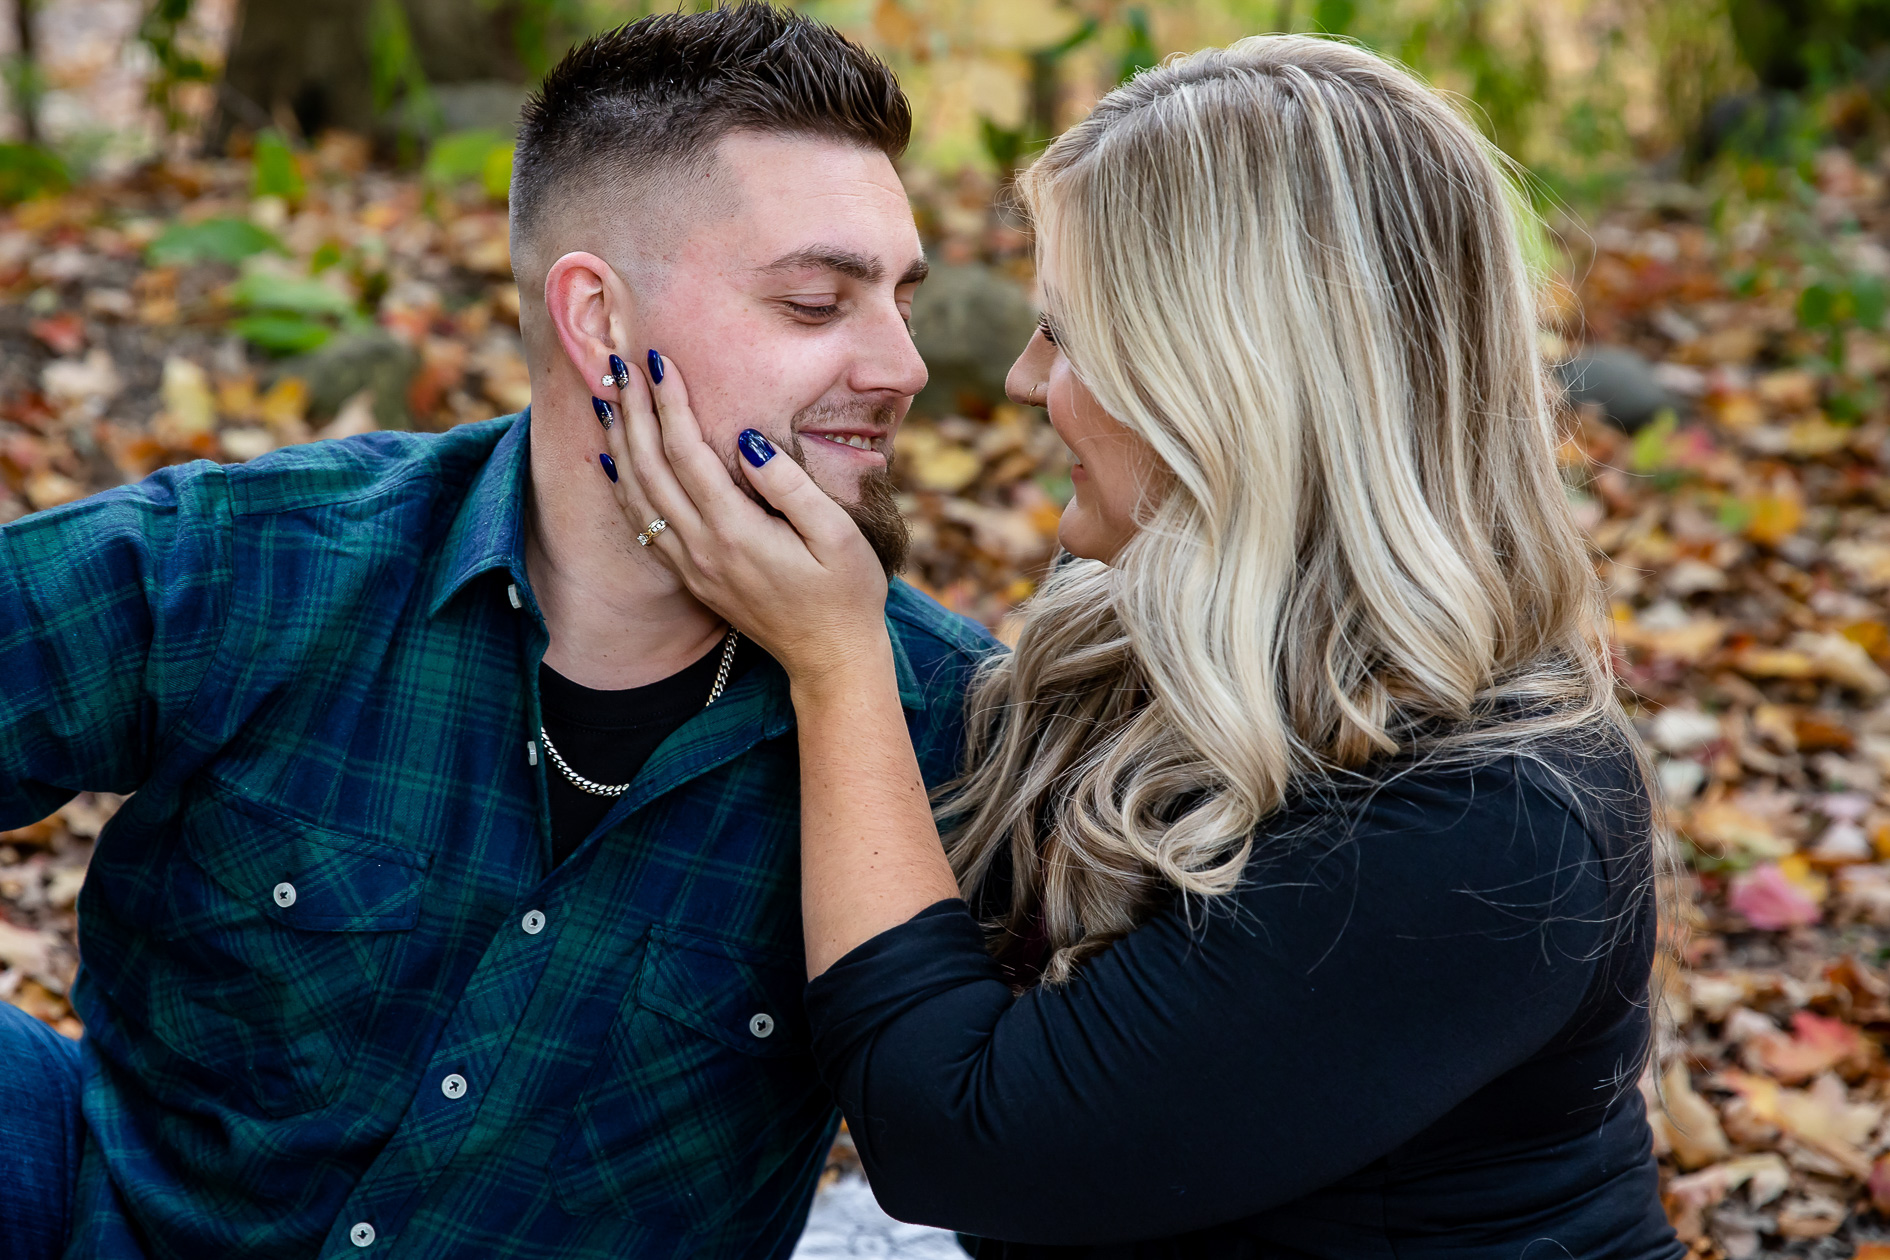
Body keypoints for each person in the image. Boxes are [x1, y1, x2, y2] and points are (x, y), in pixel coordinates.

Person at [603, 34, 1687, 1260]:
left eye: (1066, 334)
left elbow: (962, 1139)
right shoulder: (1138, 612)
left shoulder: (1491, 819)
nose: (1019, 381)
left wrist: (838, 664)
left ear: (1232, 379)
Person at [0, 7, 996, 1259]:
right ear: (597, 324)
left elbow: (1056, 1143)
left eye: (903, 300)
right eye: (816, 301)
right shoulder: (254, 564)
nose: (903, 364)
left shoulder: (945, 724)